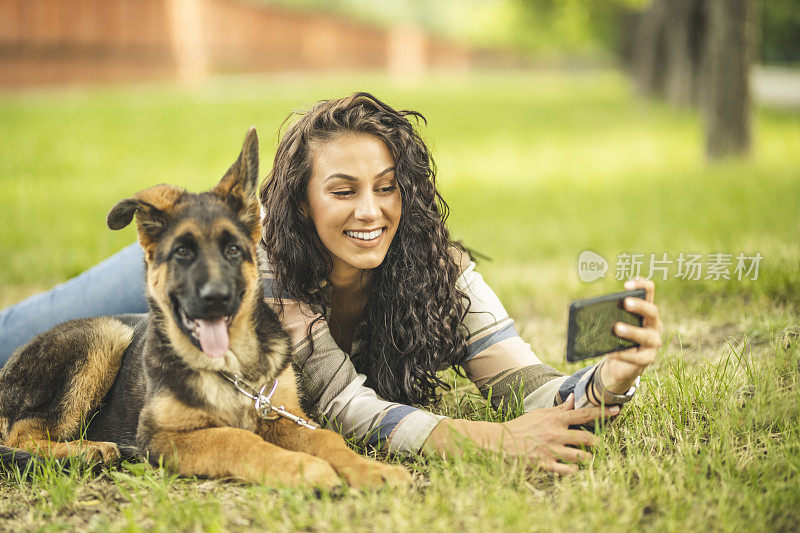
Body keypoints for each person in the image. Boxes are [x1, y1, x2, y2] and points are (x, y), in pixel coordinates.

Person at [0, 93, 663, 474]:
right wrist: (499, 442)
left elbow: (522, 381)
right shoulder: (275, 286)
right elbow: (354, 413)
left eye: (386, 187)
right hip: (176, 288)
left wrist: (609, 378)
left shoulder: (442, 271)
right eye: (343, 190)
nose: (370, 211)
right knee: (13, 340)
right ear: (299, 206)